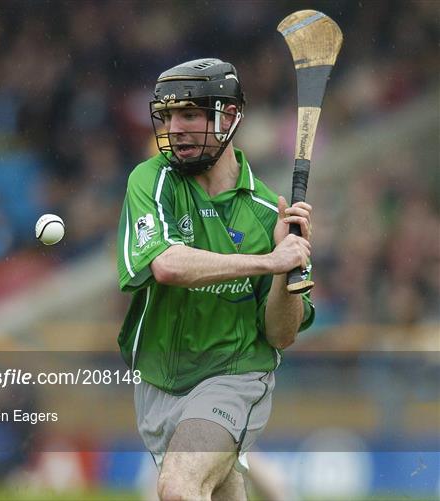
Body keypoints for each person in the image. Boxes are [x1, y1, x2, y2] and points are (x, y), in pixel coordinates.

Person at [117, 58, 314, 501]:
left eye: (189, 114)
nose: (175, 128)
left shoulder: (268, 214)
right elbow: (166, 265)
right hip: (158, 379)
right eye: (167, 116)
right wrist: (268, 261)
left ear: (227, 117)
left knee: (179, 488)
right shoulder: (152, 180)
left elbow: (281, 334)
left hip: (234, 374)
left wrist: (286, 269)